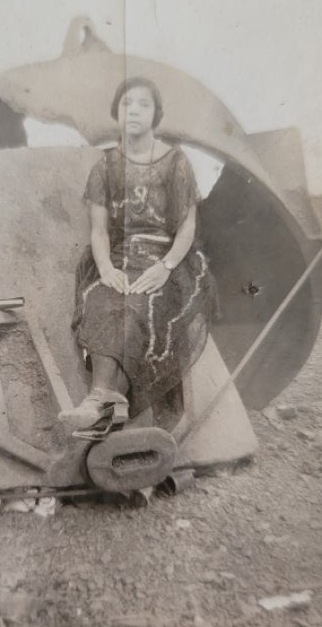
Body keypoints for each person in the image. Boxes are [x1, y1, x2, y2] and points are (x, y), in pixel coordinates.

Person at [59, 76, 217, 430]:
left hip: (168, 258)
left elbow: (187, 226)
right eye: (127, 104)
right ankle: (101, 398)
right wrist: (104, 267)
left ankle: (134, 409)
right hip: (120, 256)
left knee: (140, 307)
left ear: (156, 114)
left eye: (144, 104)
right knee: (103, 298)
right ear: (117, 112)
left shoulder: (176, 161)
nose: (135, 111)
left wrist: (166, 266)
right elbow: (99, 229)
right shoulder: (105, 166)